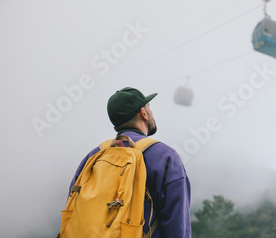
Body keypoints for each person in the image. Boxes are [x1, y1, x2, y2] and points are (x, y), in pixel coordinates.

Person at [68, 87, 191, 237]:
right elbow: (177, 226)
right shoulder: (165, 156)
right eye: (149, 108)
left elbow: (72, 208)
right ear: (143, 113)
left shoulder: (93, 157)